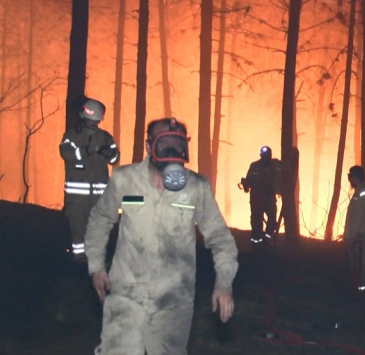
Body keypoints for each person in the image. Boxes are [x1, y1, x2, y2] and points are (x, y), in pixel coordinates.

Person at [84, 117, 239, 355]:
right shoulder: (125, 179)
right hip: (125, 295)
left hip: (174, 302)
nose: (172, 151)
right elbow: (100, 220)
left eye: (178, 145)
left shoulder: (196, 187)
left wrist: (224, 284)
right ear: (149, 147)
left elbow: (221, 239)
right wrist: (96, 266)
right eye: (164, 144)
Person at [59, 97, 119, 262]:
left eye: (96, 120)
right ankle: (79, 256)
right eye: (90, 120)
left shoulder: (105, 137)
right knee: (78, 225)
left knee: (99, 226)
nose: (93, 124)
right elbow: (66, 154)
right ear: (82, 116)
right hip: (77, 196)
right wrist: (87, 150)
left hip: (99, 195)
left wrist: (109, 153)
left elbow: (115, 159)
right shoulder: (71, 136)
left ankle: (96, 256)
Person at [343, 165, 365, 292]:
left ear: (355, 177)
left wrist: (360, 233)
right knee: (356, 268)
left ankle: (363, 295)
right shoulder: (360, 192)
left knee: (362, 268)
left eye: (350, 177)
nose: (349, 180)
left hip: (361, 238)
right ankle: (355, 291)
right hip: (356, 238)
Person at [241, 146, 282, 245]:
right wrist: (245, 184)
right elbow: (249, 181)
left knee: (272, 219)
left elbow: (282, 174)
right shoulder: (254, 166)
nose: (265, 157)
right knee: (256, 221)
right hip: (256, 198)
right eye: (264, 155)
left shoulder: (275, 166)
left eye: (267, 155)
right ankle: (256, 243)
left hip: (269, 198)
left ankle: (268, 239)